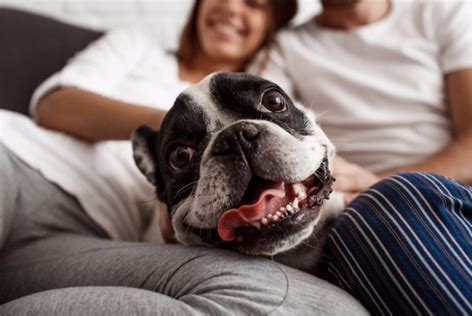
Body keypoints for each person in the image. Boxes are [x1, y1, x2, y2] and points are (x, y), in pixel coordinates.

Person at [0, 1, 368, 314]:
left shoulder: (272, 79)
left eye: (253, 3)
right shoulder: (139, 46)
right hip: (18, 161)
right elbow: (55, 105)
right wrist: (179, 124)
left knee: (282, 298)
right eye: (180, 156)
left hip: (79, 236)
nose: (230, 7)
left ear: (271, 28)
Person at [256, 0, 472, 314]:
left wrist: (381, 184)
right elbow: (252, 120)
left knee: (389, 200)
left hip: (452, 197)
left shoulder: (442, 11)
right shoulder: (285, 48)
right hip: (362, 217)